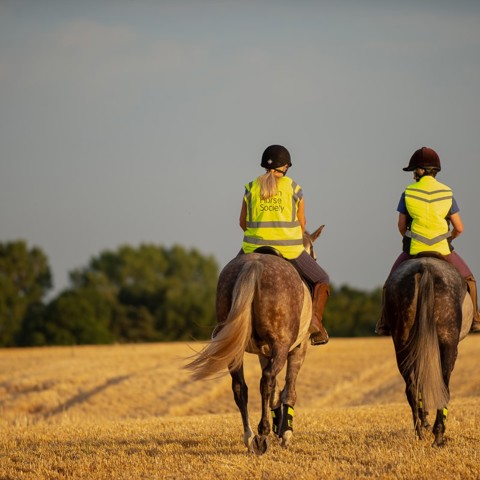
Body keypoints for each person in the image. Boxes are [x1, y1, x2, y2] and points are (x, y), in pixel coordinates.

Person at [376, 146, 480, 335]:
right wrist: (448, 239)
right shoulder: (447, 192)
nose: (413, 174)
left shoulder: (408, 192)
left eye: (414, 170)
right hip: (443, 250)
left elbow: (401, 225)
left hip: (414, 249)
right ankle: (475, 319)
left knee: (389, 282)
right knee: (470, 280)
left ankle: (384, 321)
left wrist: (409, 240)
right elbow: (459, 227)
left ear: (421, 170)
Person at [239, 144, 330, 345]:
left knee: (229, 277)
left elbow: (242, 223)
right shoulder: (294, 188)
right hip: (289, 249)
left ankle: (222, 326)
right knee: (322, 278)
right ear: (286, 166)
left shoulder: (251, 187)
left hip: (252, 248)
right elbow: (302, 224)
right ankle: (315, 325)